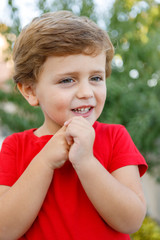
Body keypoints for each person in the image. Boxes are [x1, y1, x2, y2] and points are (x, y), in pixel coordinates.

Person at [0, 10, 148, 240]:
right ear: (30, 90)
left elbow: (131, 221)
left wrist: (86, 162)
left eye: (96, 78)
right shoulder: (15, 146)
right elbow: (4, 229)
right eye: (67, 80)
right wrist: (45, 161)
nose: (86, 92)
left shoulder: (115, 137)